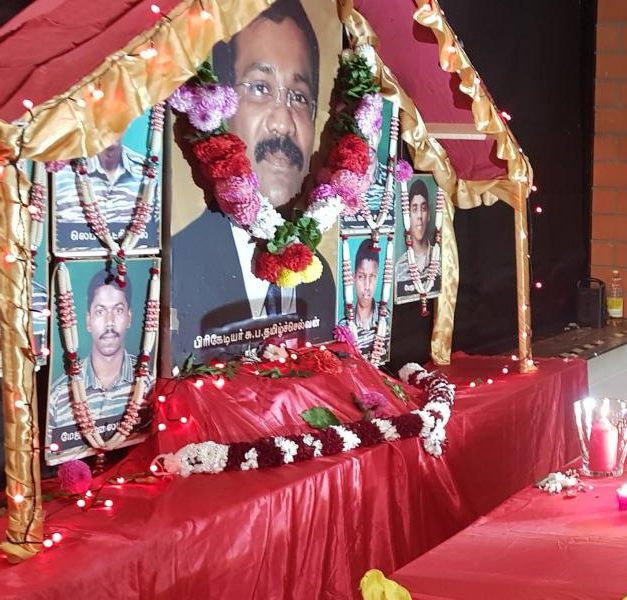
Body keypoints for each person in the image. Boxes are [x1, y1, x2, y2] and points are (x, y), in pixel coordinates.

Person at [170, 0, 335, 362]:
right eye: (260, 87)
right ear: (219, 110)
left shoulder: (319, 279)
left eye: (299, 97)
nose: (283, 123)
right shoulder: (178, 266)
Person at [46, 270, 150, 463]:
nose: (109, 323)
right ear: (88, 321)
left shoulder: (149, 386)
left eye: (118, 310)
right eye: (100, 312)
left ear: (129, 317)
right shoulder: (58, 396)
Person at [394, 178, 438, 297]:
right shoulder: (399, 268)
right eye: (414, 209)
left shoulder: (439, 259)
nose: (419, 216)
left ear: (429, 214)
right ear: (408, 216)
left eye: (423, 209)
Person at [340, 241, 380, 352]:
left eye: (372, 276)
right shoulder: (344, 326)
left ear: (377, 278)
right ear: (354, 278)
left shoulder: (386, 318)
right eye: (361, 277)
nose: (367, 286)